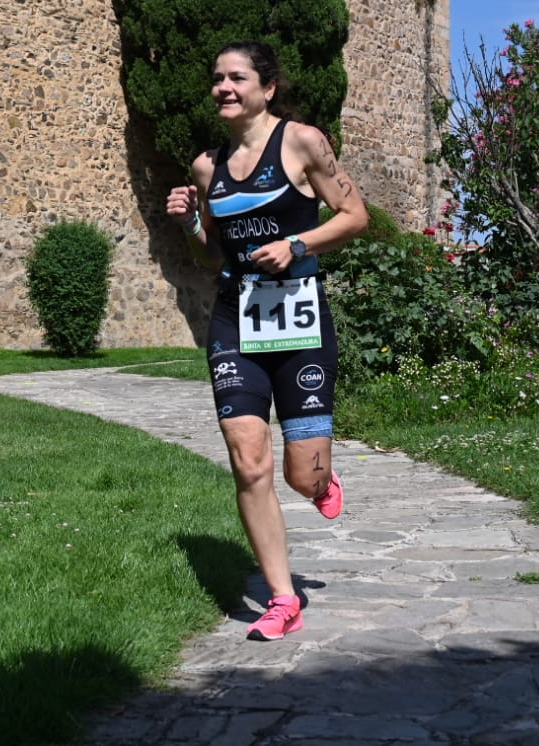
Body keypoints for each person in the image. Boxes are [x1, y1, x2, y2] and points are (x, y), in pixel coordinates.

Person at [165, 41, 368, 641]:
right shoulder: (208, 168)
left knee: (299, 475)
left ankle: (320, 481)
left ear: (267, 87)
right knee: (248, 461)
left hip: (300, 319)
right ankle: (283, 598)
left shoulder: (303, 142)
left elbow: (355, 216)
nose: (224, 87)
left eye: (237, 77)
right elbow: (209, 257)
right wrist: (191, 222)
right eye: (217, 78)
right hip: (235, 318)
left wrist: (298, 245)